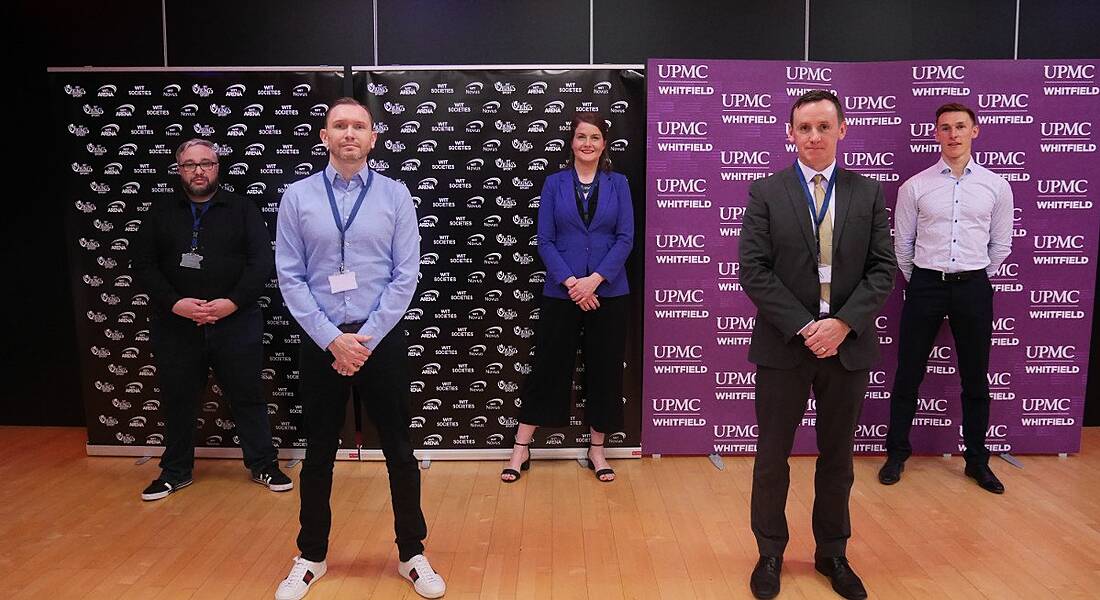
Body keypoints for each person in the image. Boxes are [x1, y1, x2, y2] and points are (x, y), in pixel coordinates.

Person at [273, 97, 445, 600]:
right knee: (319, 451)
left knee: (399, 450)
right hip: (321, 339)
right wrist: (332, 338)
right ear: (324, 136)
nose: (349, 134)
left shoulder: (396, 195)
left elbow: (405, 273)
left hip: (379, 340)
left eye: (359, 126)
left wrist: (366, 336)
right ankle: (311, 556)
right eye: (339, 126)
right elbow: (290, 275)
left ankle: (412, 553)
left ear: (374, 137)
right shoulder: (298, 197)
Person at [738, 91, 896, 600]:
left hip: (846, 347)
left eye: (824, 126)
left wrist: (843, 324)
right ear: (790, 132)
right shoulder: (766, 191)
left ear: (842, 130)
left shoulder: (868, 194)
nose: (814, 136)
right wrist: (808, 326)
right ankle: (769, 552)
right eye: (804, 127)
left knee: (838, 458)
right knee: (772, 457)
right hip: (786, 345)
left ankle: (833, 552)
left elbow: (882, 270)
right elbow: (754, 271)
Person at [131, 138, 290, 501]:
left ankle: (264, 464)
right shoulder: (160, 211)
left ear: (217, 168)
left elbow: (261, 263)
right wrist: (175, 303)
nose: (198, 170)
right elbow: (143, 264)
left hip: (236, 321)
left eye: (206, 163)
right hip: (176, 325)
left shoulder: (242, 208)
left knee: (247, 396)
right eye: (190, 164)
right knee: (178, 399)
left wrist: (231, 303)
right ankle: (175, 472)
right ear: (179, 169)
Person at [879, 102, 1014, 494]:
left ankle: (977, 461)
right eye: (944, 128)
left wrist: (973, 277)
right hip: (924, 285)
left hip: (973, 287)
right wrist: (923, 278)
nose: (952, 134)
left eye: (960, 126)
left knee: (975, 377)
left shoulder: (996, 186)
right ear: (936, 134)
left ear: (975, 131)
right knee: (908, 374)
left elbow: (1000, 245)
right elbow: (901, 245)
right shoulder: (915, 186)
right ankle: (897, 453)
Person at [500, 112, 634, 484]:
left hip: (608, 292)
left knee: (605, 370)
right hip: (561, 293)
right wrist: (574, 283)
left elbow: (625, 238)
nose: (587, 143)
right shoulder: (554, 183)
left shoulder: (619, 183)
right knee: (547, 368)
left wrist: (594, 281)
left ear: (604, 143)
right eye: (580, 137)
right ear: (571, 143)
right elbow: (545, 240)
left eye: (594, 137)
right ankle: (521, 448)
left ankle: (597, 450)